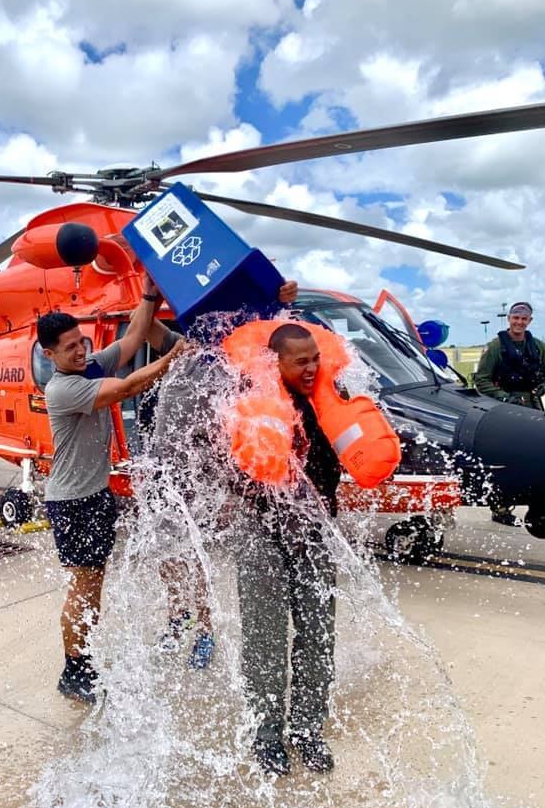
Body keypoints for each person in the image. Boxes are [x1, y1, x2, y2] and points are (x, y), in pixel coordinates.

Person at [37, 278, 183, 704]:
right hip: (72, 502)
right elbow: (128, 388)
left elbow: (135, 336)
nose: (80, 351)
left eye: (81, 342)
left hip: (96, 495)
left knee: (93, 584)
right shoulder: (64, 388)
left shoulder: (89, 367)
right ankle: (74, 669)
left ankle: (84, 660)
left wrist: (151, 295)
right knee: (83, 586)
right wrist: (171, 357)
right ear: (50, 355)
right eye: (69, 348)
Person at [140, 281, 300, 671]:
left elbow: (282, 340)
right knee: (167, 553)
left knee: (195, 556)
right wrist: (149, 294)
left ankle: (206, 629)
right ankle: (178, 617)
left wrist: (279, 303)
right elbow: (144, 329)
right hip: (163, 469)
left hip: (202, 474)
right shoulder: (182, 349)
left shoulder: (238, 361)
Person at [234, 323, 340, 777]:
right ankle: (267, 735)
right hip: (261, 535)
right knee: (265, 642)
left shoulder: (330, 401)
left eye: (315, 357)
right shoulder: (247, 406)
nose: (312, 367)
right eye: (301, 361)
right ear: (275, 363)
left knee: (318, 638)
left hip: (316, 536)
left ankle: (307, 730)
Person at [473, 302, 545, 525]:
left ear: (529, 321)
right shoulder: (496, 347)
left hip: (532, 407)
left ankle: (539, 506)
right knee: (506, 457)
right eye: (516, 318)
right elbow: (481, 380)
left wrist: (543, 385)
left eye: (524, 319)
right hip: (505, 410)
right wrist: (504, 397)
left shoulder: (538, 346)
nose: (519, 322)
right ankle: (500, 506)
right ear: (509, 319)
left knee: (537, 455)